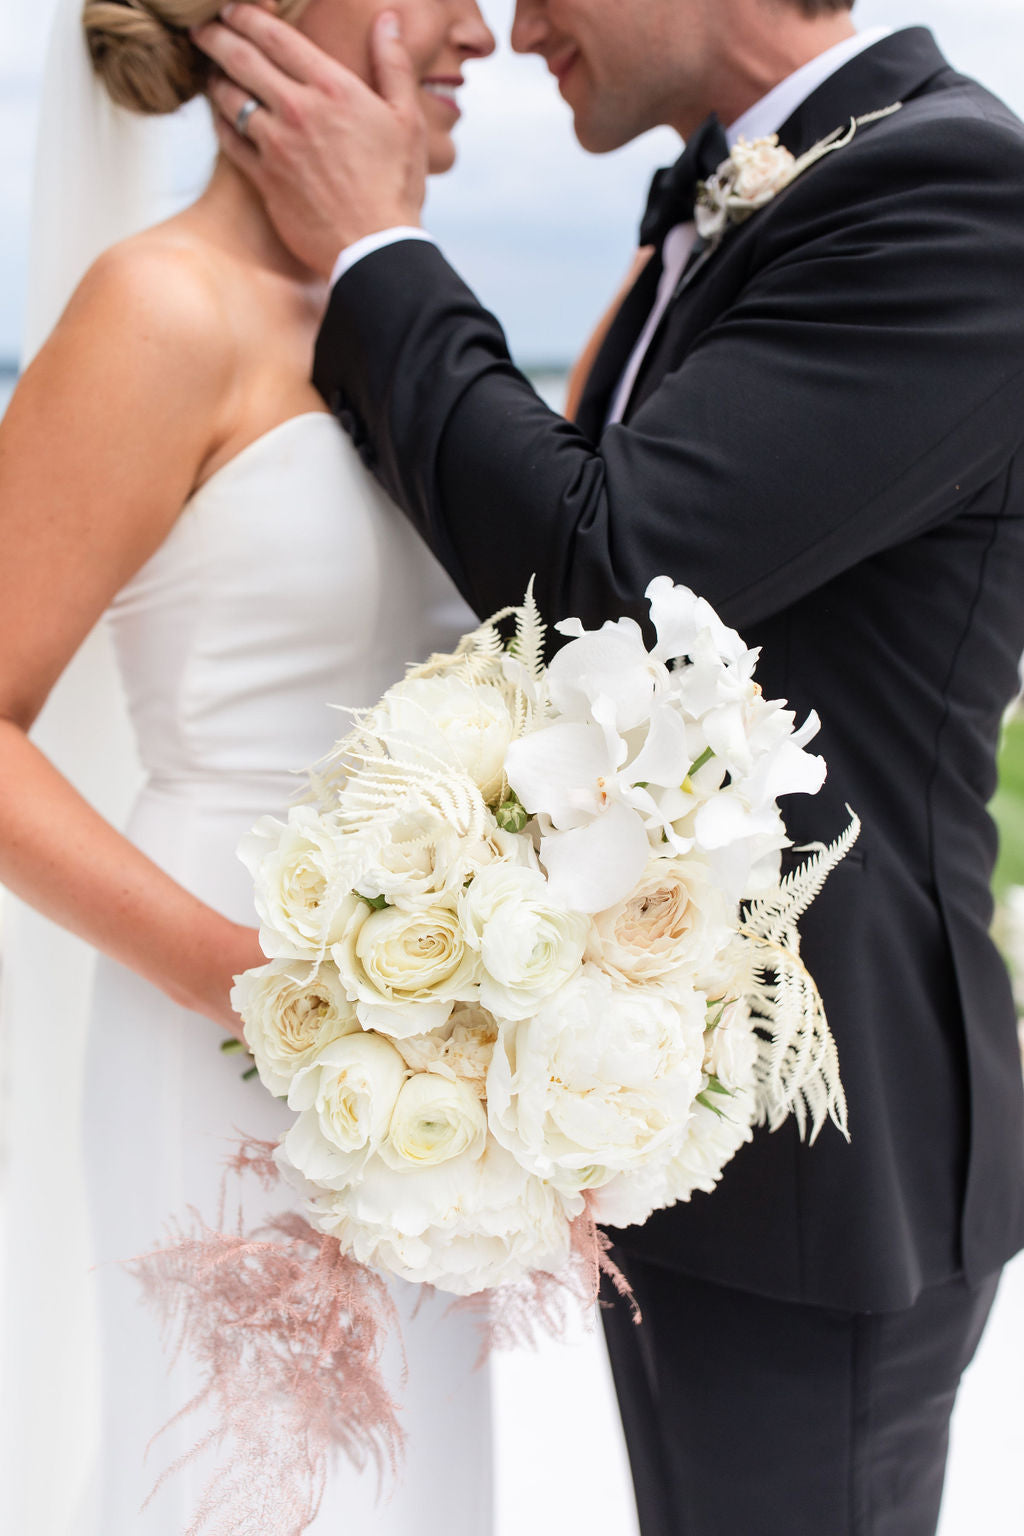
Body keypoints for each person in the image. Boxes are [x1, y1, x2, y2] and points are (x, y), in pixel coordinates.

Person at [190, 1, 1024, 1531]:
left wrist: (379, 251)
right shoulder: (744, 188)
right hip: (683, 1126)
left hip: (838, 1159)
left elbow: (607, 563)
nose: (511, 28)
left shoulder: (963, 193)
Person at [0, 0, 499, 1532]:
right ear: (266, 22)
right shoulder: (163, 304)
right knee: (246, 1481)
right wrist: (235, 974)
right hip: (215, 1009)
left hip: (439, 1054)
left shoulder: (410, 315)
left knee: (414, 1482)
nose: (479, 31)